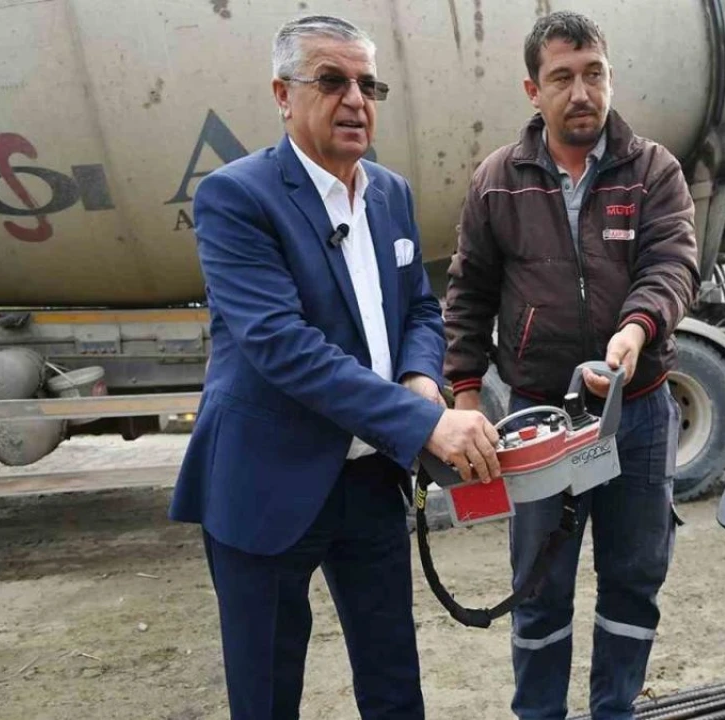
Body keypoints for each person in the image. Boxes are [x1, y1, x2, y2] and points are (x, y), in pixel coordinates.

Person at [169, 16, 500, 720]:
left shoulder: (390, 194)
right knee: (266, 693)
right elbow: (280, 344)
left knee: (393, 683)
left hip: (369, 479)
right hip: (266, 480)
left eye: (367, 84)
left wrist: (419, 378)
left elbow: (420, 309)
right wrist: (423, 422)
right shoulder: (236, 197)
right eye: (331, 81)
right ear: (282, 95)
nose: (355, 100)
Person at [442, 11, 699, 719]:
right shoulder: (498, 180)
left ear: (611, 77)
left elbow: (672, 264)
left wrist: (635, 332)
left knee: (635, 579)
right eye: (562, 78)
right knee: (538, 586)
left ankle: (615, 709)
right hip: (540, 422)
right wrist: (466, 396)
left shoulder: (653, 171)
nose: (581, 92)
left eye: (594, 74)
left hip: (635, 411)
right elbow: (468, 293)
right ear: (534, 89)